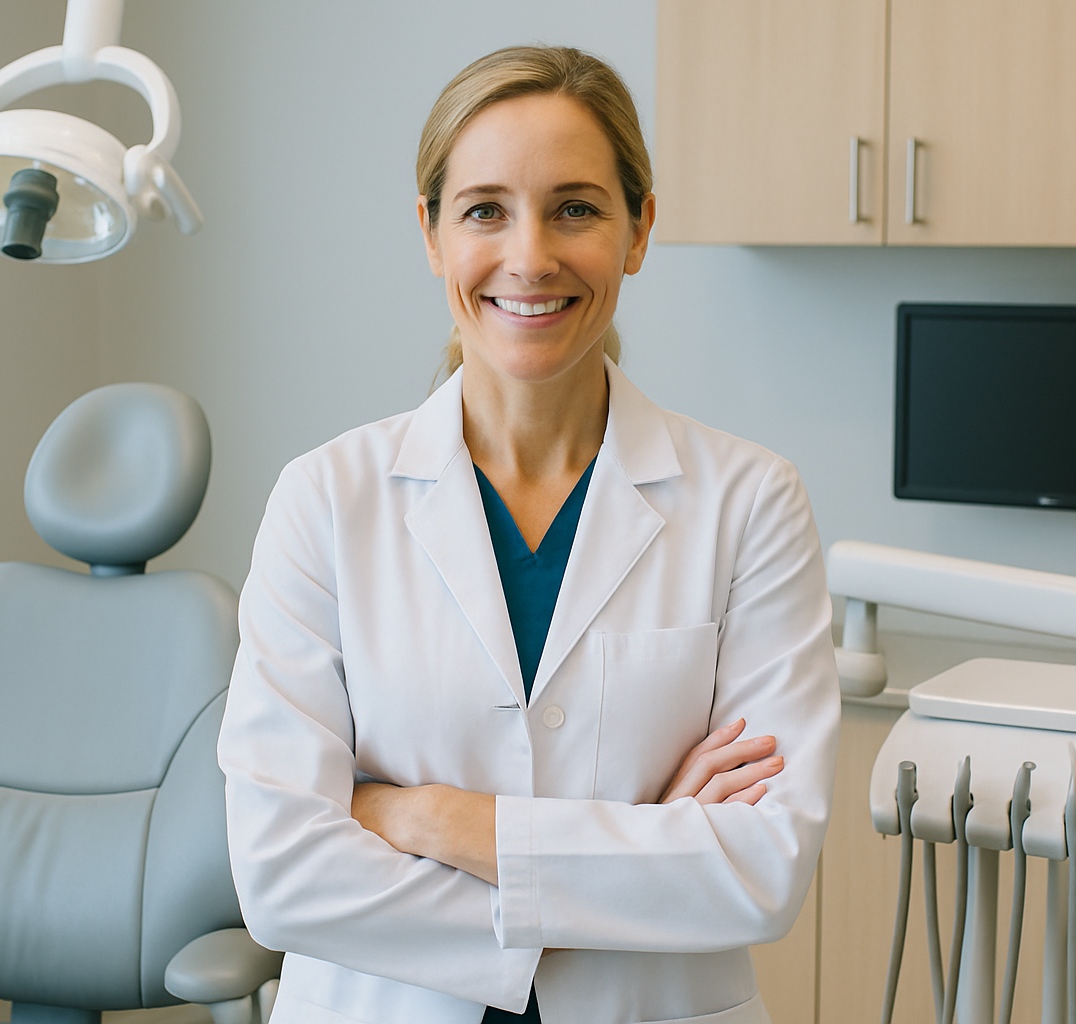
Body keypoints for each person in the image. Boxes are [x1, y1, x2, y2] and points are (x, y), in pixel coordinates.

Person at [218, 45, 840, 1024]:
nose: (530, 255)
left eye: (577, 208)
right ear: (430, 234)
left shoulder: (750, 502)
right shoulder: (326, 500)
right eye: (484, 210)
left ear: (639, 230)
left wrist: (423, 814)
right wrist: (641, 851)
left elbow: (763, 871)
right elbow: (283, 872)